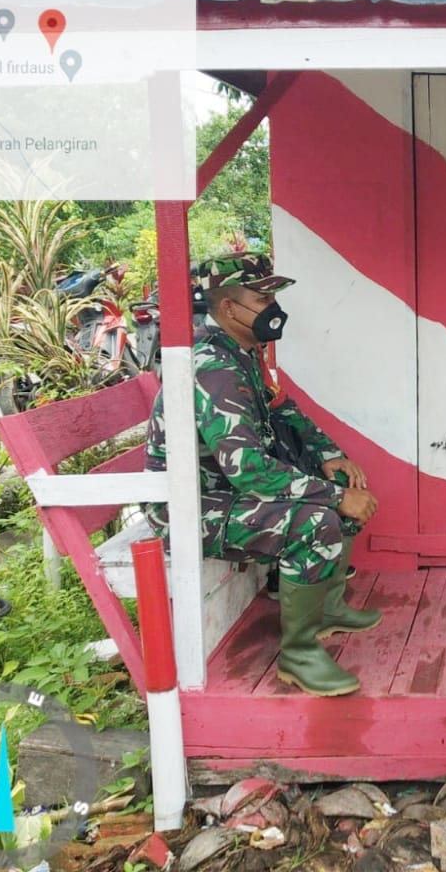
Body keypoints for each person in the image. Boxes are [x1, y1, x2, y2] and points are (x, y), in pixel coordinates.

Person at [143, 251, 381, 696]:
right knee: (318, 519)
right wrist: (331, 496)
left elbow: (281, 407)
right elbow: (249, 471)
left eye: (273, 295)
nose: (272, 307)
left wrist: (329, 455)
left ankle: (325, 607)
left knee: (344, 483)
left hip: (225, 492)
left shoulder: (244, 354)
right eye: (261, 297)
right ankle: (299, 654)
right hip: (190, 507)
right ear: (229, 308)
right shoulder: (213, 367)